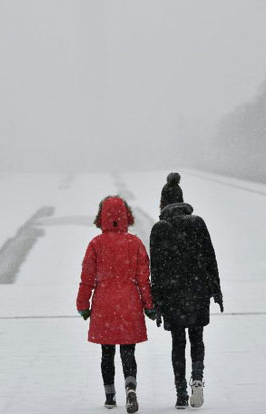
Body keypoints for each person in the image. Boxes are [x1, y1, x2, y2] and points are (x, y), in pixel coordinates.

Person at [77, 196, 156, 413]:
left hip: (104, 305)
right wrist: (149, 305)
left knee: (107, 352)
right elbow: (143, 278)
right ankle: (130, 387)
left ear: (101, 216)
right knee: (128, 351)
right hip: (129, 302)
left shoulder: (95, 244)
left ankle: (110, 396)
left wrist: (83, 304)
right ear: (126, 216)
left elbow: (87, 278)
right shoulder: (135, 243)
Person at [149, 172, 223, 409]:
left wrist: (158, 302)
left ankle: (181, 392)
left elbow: (156, 270)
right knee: (197, 338)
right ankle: (198, 379)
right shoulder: (198, 223)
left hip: (173, 295)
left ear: (163, 203)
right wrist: (216, 290)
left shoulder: (159, 228)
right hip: (198, 290)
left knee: (177, 342)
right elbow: (211, 258)